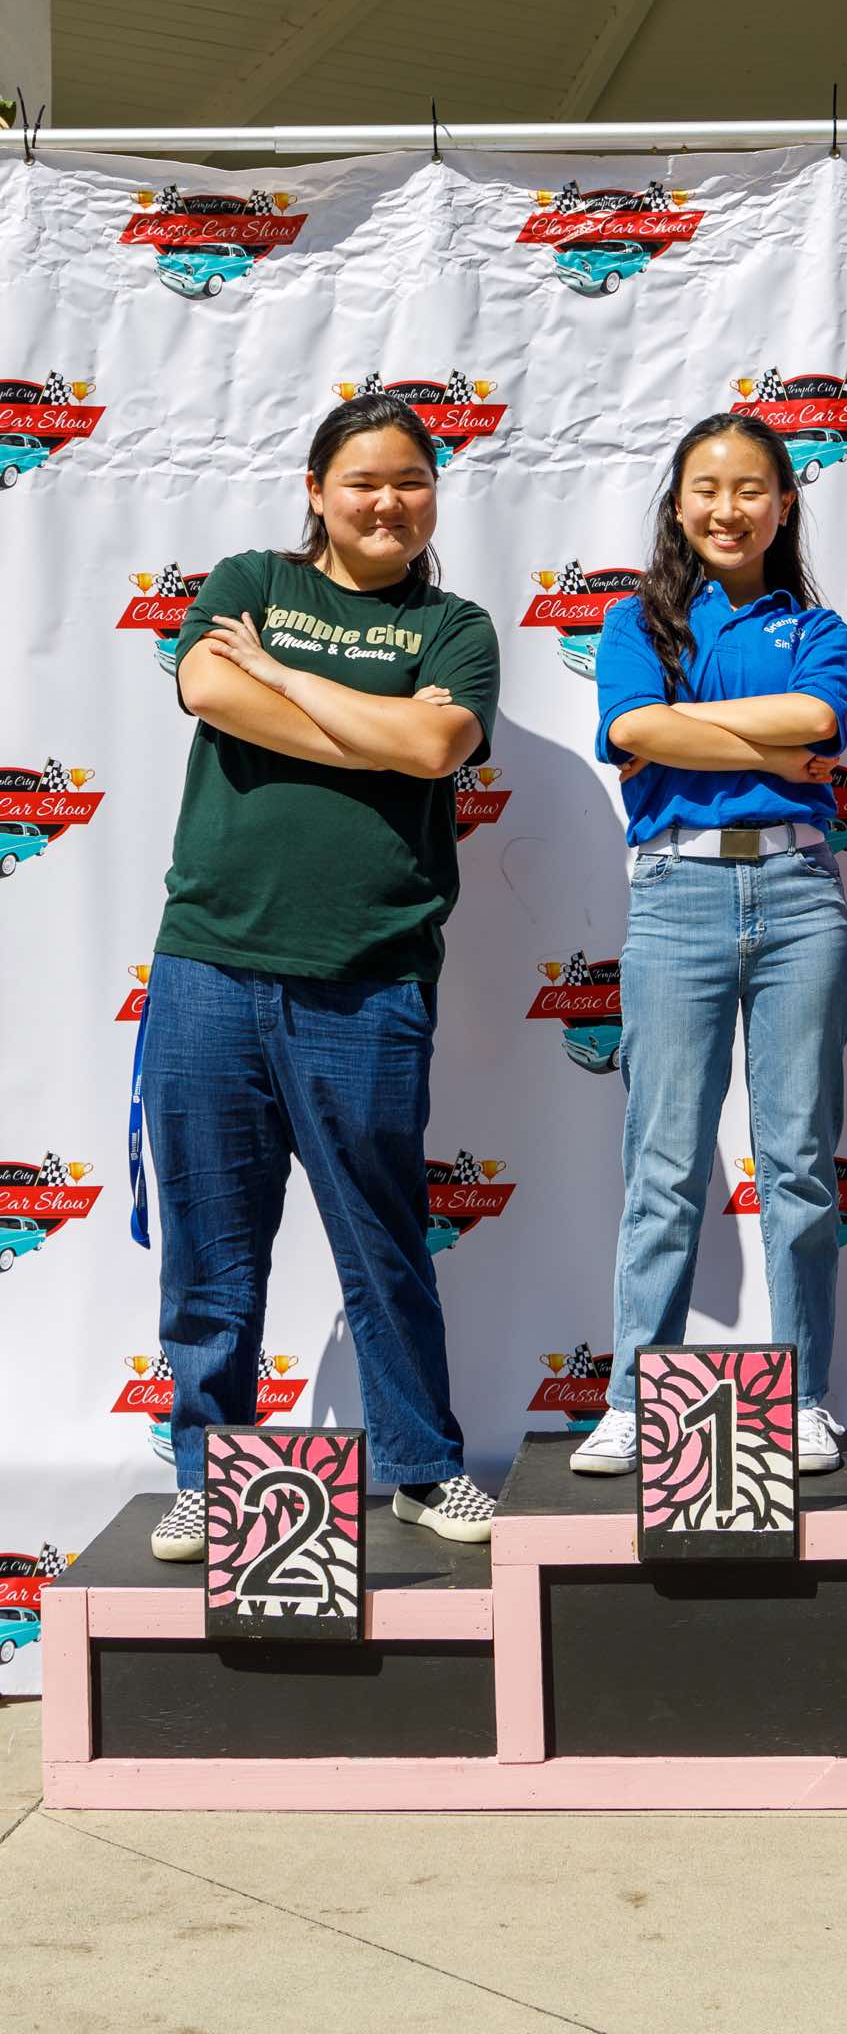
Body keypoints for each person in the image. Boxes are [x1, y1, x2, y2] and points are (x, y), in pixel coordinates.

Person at [142, 394, 500, 1560]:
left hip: (368, 972)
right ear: (316, 489)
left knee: (382, 1238)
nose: (388, 501)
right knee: (211, 1245)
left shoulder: (454, 626)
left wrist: (285, 680)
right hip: (212, 963)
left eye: (411, 479)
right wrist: (373, 727)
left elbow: (436, 747)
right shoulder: (251, 579)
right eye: (363, 480)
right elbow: (209, 689)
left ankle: (422, 1465)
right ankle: (207, 1470)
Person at [571, 412, 847, 1478]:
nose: (727, 509)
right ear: (678, 502)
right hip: (674, 894)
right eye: (706, 487)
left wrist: (703, 731)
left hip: (798, 896)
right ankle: (633, 1399)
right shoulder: (636, 623)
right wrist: (767, 746)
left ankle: (804, 1398)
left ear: (784, 503)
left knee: (798, 1165)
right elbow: (633, 730)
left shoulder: (817, 628)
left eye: (749, 489)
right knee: (664, 1165)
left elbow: (818, 722)